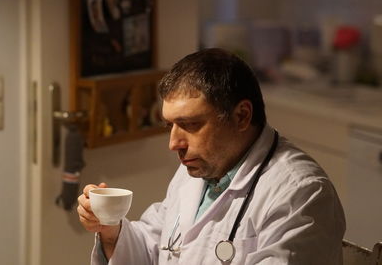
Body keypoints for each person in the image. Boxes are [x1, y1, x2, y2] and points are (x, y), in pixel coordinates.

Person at [77, 48, 346, 264]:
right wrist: (111, 232)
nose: (174, 143)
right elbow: (156, 248)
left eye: (191, 125)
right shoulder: (196, 170)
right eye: (170, 126)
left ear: (241, 116)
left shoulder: (302, 194)